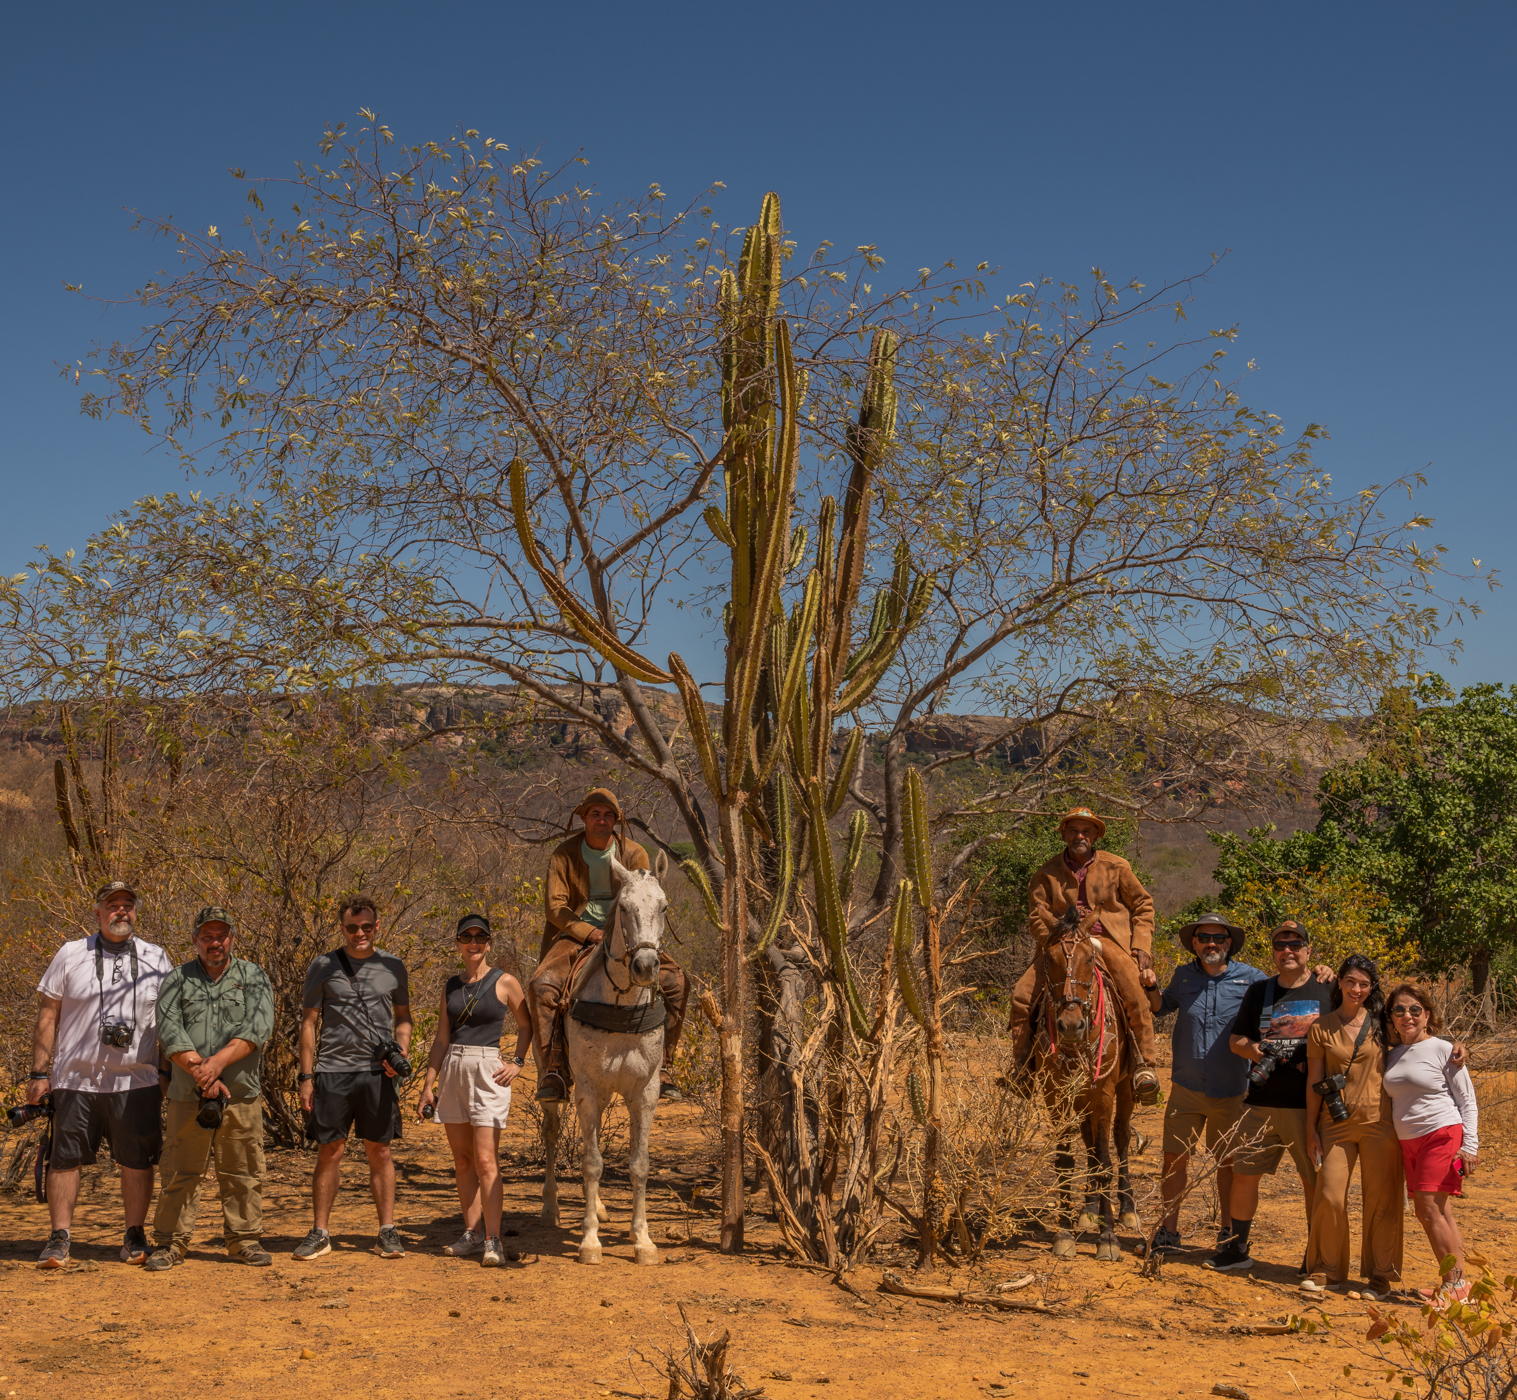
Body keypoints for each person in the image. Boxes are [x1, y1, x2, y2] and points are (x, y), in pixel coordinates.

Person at [27, 880, 173, 1268]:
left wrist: (165, 1071)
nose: (120, 911)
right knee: (65, 1160)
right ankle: (60, 1237)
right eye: (113, 905)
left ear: (136, 912)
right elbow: (48, 1013)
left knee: (137, 1160)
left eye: (128, 904)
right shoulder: (71, 953)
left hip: (136, 1080)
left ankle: (134, 1234)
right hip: (76, 1079)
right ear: (98, 911)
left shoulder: (157, 957)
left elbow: (169, 1021)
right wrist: (39, 1072)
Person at [528, 787, 688, 1104]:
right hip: (576, 935)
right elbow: (555, 907)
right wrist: (590, 932)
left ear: (616, 820)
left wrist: (617, 932)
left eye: (608, 815)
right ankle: (553, 1069)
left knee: (676, 982)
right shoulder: (564, 855)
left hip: (628, 933)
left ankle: (664, 1066)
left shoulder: (634, 853)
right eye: (596, 814)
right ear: (584, 818)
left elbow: (642, 897)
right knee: (541, 986)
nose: (602, 820)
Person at [144, 906, 276, 1271]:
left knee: (243, 1171)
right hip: (188, 1095)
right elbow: (169, 1030)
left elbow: (258, 1027)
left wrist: (216, 1064)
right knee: (180, 1172)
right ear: (195, 940)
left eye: (221, 935)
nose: (214, 942)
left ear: (232, 937)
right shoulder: (177, 979)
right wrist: (202, 1072)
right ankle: (171, 1243)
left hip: (240, 1094)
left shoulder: (253, 976)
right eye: (207, 936)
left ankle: (244, 1240)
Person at [1008, 807, 1161, 1104]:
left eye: (1086, 831)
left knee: (1135, 995)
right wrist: (1056, 941)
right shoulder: (1046, 873)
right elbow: (1036, 917)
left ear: (1095, 836)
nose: (1080, 836)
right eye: (1074, 830)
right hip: (1061, 945)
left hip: (1107, 942)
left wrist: (1141, 946)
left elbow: (1143, 905)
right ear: (1064, 834)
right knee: (1022, 997)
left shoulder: (1117, 867)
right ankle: (1023, 1068)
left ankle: (1145, 1066)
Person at [1214, 920, 1337, 1275]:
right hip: (1261, 1102)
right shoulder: (1259, 992)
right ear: (1273, 951)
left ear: (1308, 951)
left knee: (1312, 1181)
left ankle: (1314, 1255)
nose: (1288, 951)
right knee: (1244, 1174)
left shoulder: (1328, 988)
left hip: (1309, 1106)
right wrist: (1258, 1051)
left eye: (1296, 944)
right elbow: (1236, 1040)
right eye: (1281, 945)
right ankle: (1237, 1248)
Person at [295, 895, 414, 1261]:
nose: (359, 933)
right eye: (352, 927)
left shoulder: (393, 965)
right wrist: (306, 1076)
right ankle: (320, 1232)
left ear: (377, 926)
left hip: (376, 1073)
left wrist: (402, 1052)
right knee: (330, 1151)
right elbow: (309, 1023)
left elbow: (404, 1017)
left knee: (380, 1149)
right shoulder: (323, 965)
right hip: (332, 1071)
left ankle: (387, 1231)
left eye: (366, 926)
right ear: (342, 928)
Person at [1142, 912, 1265, 1260]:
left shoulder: (1252, 980)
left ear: (1229, 944)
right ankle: (1169, 1230)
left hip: (1232, 1089)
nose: (1212, 944)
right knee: (1173, 1160)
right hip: (1186, 1086)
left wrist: (1319, 976)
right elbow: (1160, 1007)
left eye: (1219, 938)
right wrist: (1151, 986)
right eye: (1205, 938)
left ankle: (1228, 1231)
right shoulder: (1183, 976)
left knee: (1227, 1162)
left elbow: (1283, 997)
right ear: (1194, 944)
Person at [418, 913, 533, 1268]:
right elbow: (441, 1039)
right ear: (457, 943)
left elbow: (527, 1026)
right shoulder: (450, 985)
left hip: (488, 1070)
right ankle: (471, 1233)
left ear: (489, 943)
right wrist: (427, 1086)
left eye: (480, 937)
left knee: (486, 1160)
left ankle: (493, 1238)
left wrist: (516, 1062)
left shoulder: (506, 982)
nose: (473, 943)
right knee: (463, 1160)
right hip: (453, 1068)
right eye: (466, 937)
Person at [1302, 954, 1402, 1299]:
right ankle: (1328, 1270)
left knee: (1382, 1199)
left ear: (1371, 987)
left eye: (1363, 984)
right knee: (1329, 1195)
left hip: (1380, 1124)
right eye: (1350, 981)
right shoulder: (1320, 1027)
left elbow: (1422, 1042)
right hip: (1335, 1124)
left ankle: (1380, 1275)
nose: (1356, 989)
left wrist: (1454, 1048)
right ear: (1339, 982)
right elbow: (1314, 1083)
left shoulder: (1384, 1025)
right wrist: (1310, 1130)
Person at [1383, 981, 1479, 1304]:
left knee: (1427, 1208)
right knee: (1439, 1212)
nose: (1407, 1016)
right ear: (1391, 1016)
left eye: (1414, 1010)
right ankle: (1459, 1284)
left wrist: (1471, 1145)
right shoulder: (1392, 1054)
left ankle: (1454, 1286)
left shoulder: (1443, 1049)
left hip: (1441, 1133)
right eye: (1399, 1010)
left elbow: (1467, 1100)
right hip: (1407, 1141)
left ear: (1427, 1015)